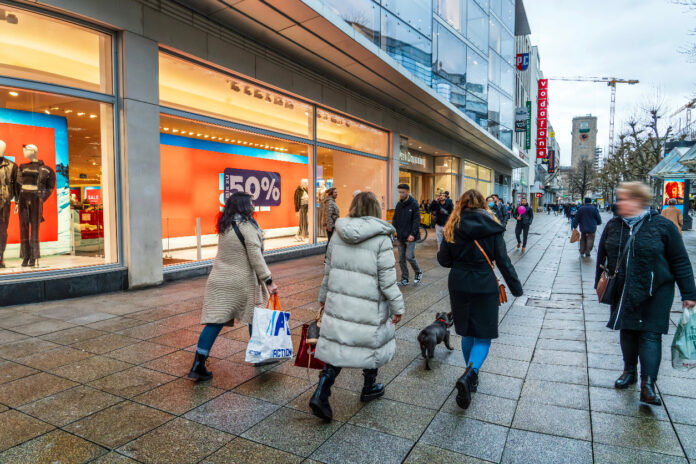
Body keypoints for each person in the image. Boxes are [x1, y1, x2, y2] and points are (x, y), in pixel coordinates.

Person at [595, 182, 696, 406]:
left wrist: (689, 293)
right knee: (628, 331)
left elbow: (680, 261)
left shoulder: (662, 226)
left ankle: (647, 385)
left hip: (655, 291)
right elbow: (602, 256)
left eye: (624, 199)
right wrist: (599, 285)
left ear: (638, 201)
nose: (619, 203)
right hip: (623, 290)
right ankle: (629, 371)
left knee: (650, 335)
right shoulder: (613, 225)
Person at [309, 192, 405, 421]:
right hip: (368, 305)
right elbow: (387, 280)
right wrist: (398, 306)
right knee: (371, 342)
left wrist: (323, 297)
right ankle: (369, 387)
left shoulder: (338, 234)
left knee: (340, 344)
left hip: (340, 301)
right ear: (375, 209)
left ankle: (322, 391)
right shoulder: (382, 237)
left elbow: (328, 271)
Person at [437, 189, 523, 409]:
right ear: (484, 205)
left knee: (467, 331)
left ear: (461, 204)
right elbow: (504, 261)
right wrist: (516, 288)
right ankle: (470, 375)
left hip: (459, 283)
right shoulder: (493, 227)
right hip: (484, 284)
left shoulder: (452, 226)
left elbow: (444, 260)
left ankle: (470, 375)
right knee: (483, 335)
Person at [189, 192, 278, 381]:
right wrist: (268, 281)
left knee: (214, 322)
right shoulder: (248, 226)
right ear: (244, 206)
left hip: (219, 281)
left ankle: (198, 364)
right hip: (240, 282)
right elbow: (255, 257)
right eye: (251, 203)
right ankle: (259, 355)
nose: (253, 206)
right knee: (256, 314)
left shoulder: (225, 225)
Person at [392, 184, 422, 285]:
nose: (401, 194)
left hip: (410, 236)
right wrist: (394, 231)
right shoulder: (399, 204)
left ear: (408, 192)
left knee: (409, 256)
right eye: (399, 192)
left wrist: (413, 234)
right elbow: (395, 218)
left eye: (403, 192)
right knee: (401, 259)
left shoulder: (414, 204)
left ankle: (418, 272)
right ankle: (404, 279)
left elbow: (416, 220)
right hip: (401, 236)